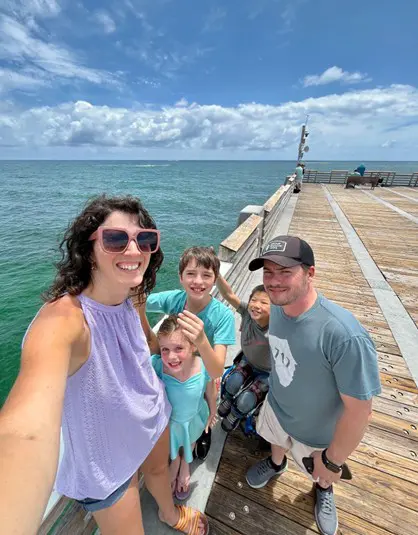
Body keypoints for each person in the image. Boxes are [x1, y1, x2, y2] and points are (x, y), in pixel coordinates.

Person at [0, 195, 208, 535]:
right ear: (88, 249)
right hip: (106, 457)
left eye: (145, 240)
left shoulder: (131, 293)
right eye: (115, 239)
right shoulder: (64, 321)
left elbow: (144, 344)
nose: (134, 251)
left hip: (152, 415)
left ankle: (170, 514)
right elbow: (25, 433)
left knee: (158, 474)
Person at [244, 235, 381, 535]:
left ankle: (323, 488)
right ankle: (277, 464)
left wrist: (332, 461)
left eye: (285, 272)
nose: (274, 282)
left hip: (319, 433)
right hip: (278, 408)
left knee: (320, 473)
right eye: (268, 272)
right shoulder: (278, 306)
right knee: (275, 442)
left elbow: (360, 412)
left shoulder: (343, 335)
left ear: (310, 273)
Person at [151, 316, 217, 501]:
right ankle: (176, 460)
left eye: (179, 348)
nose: (171, 357)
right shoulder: (156, 365)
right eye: (165, 349)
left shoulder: (203, 367)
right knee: (174, 444)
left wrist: (212, 410)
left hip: (194, 418)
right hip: (170, 422)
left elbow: (210, 392)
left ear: (194, 346)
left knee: (191, 439)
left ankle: (185, 463)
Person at [146, 246, 236, 379]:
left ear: (215, 279)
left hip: (201, 379)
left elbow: (217, 372)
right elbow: (140, 302)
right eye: (191, 274)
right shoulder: (174, 299)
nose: (198, 281)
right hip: (173, 371)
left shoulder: (224, 316)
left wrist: (201, 341)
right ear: (180, 277)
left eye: (206, 275)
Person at [215, 275, 271, 433]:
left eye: (264, 302)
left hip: (268, 372)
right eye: (254, 300)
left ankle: (235, 413)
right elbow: (228, 295)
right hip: (248, 360)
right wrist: (217, 273)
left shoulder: (278, 327)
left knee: (246, 401)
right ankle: (227, 400)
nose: (256, 306)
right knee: (232, 382)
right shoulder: (247, 313)